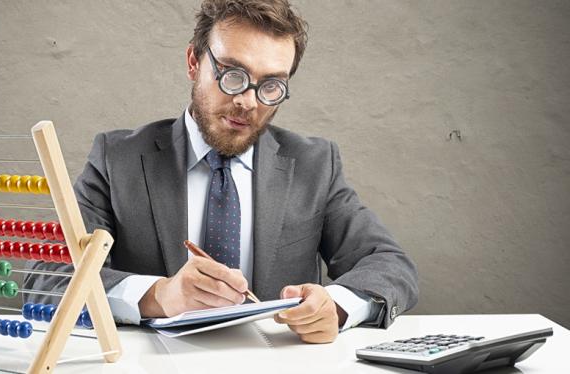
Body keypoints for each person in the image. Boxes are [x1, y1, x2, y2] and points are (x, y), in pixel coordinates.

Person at [24, 0, 418, 344]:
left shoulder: (314, 165)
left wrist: (337, 306)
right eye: (232, 74)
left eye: (272, 86)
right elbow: (46, 278)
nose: (248, 102)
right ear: (194, 61)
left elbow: (389, 265)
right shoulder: (117, 159)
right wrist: (158, 296)